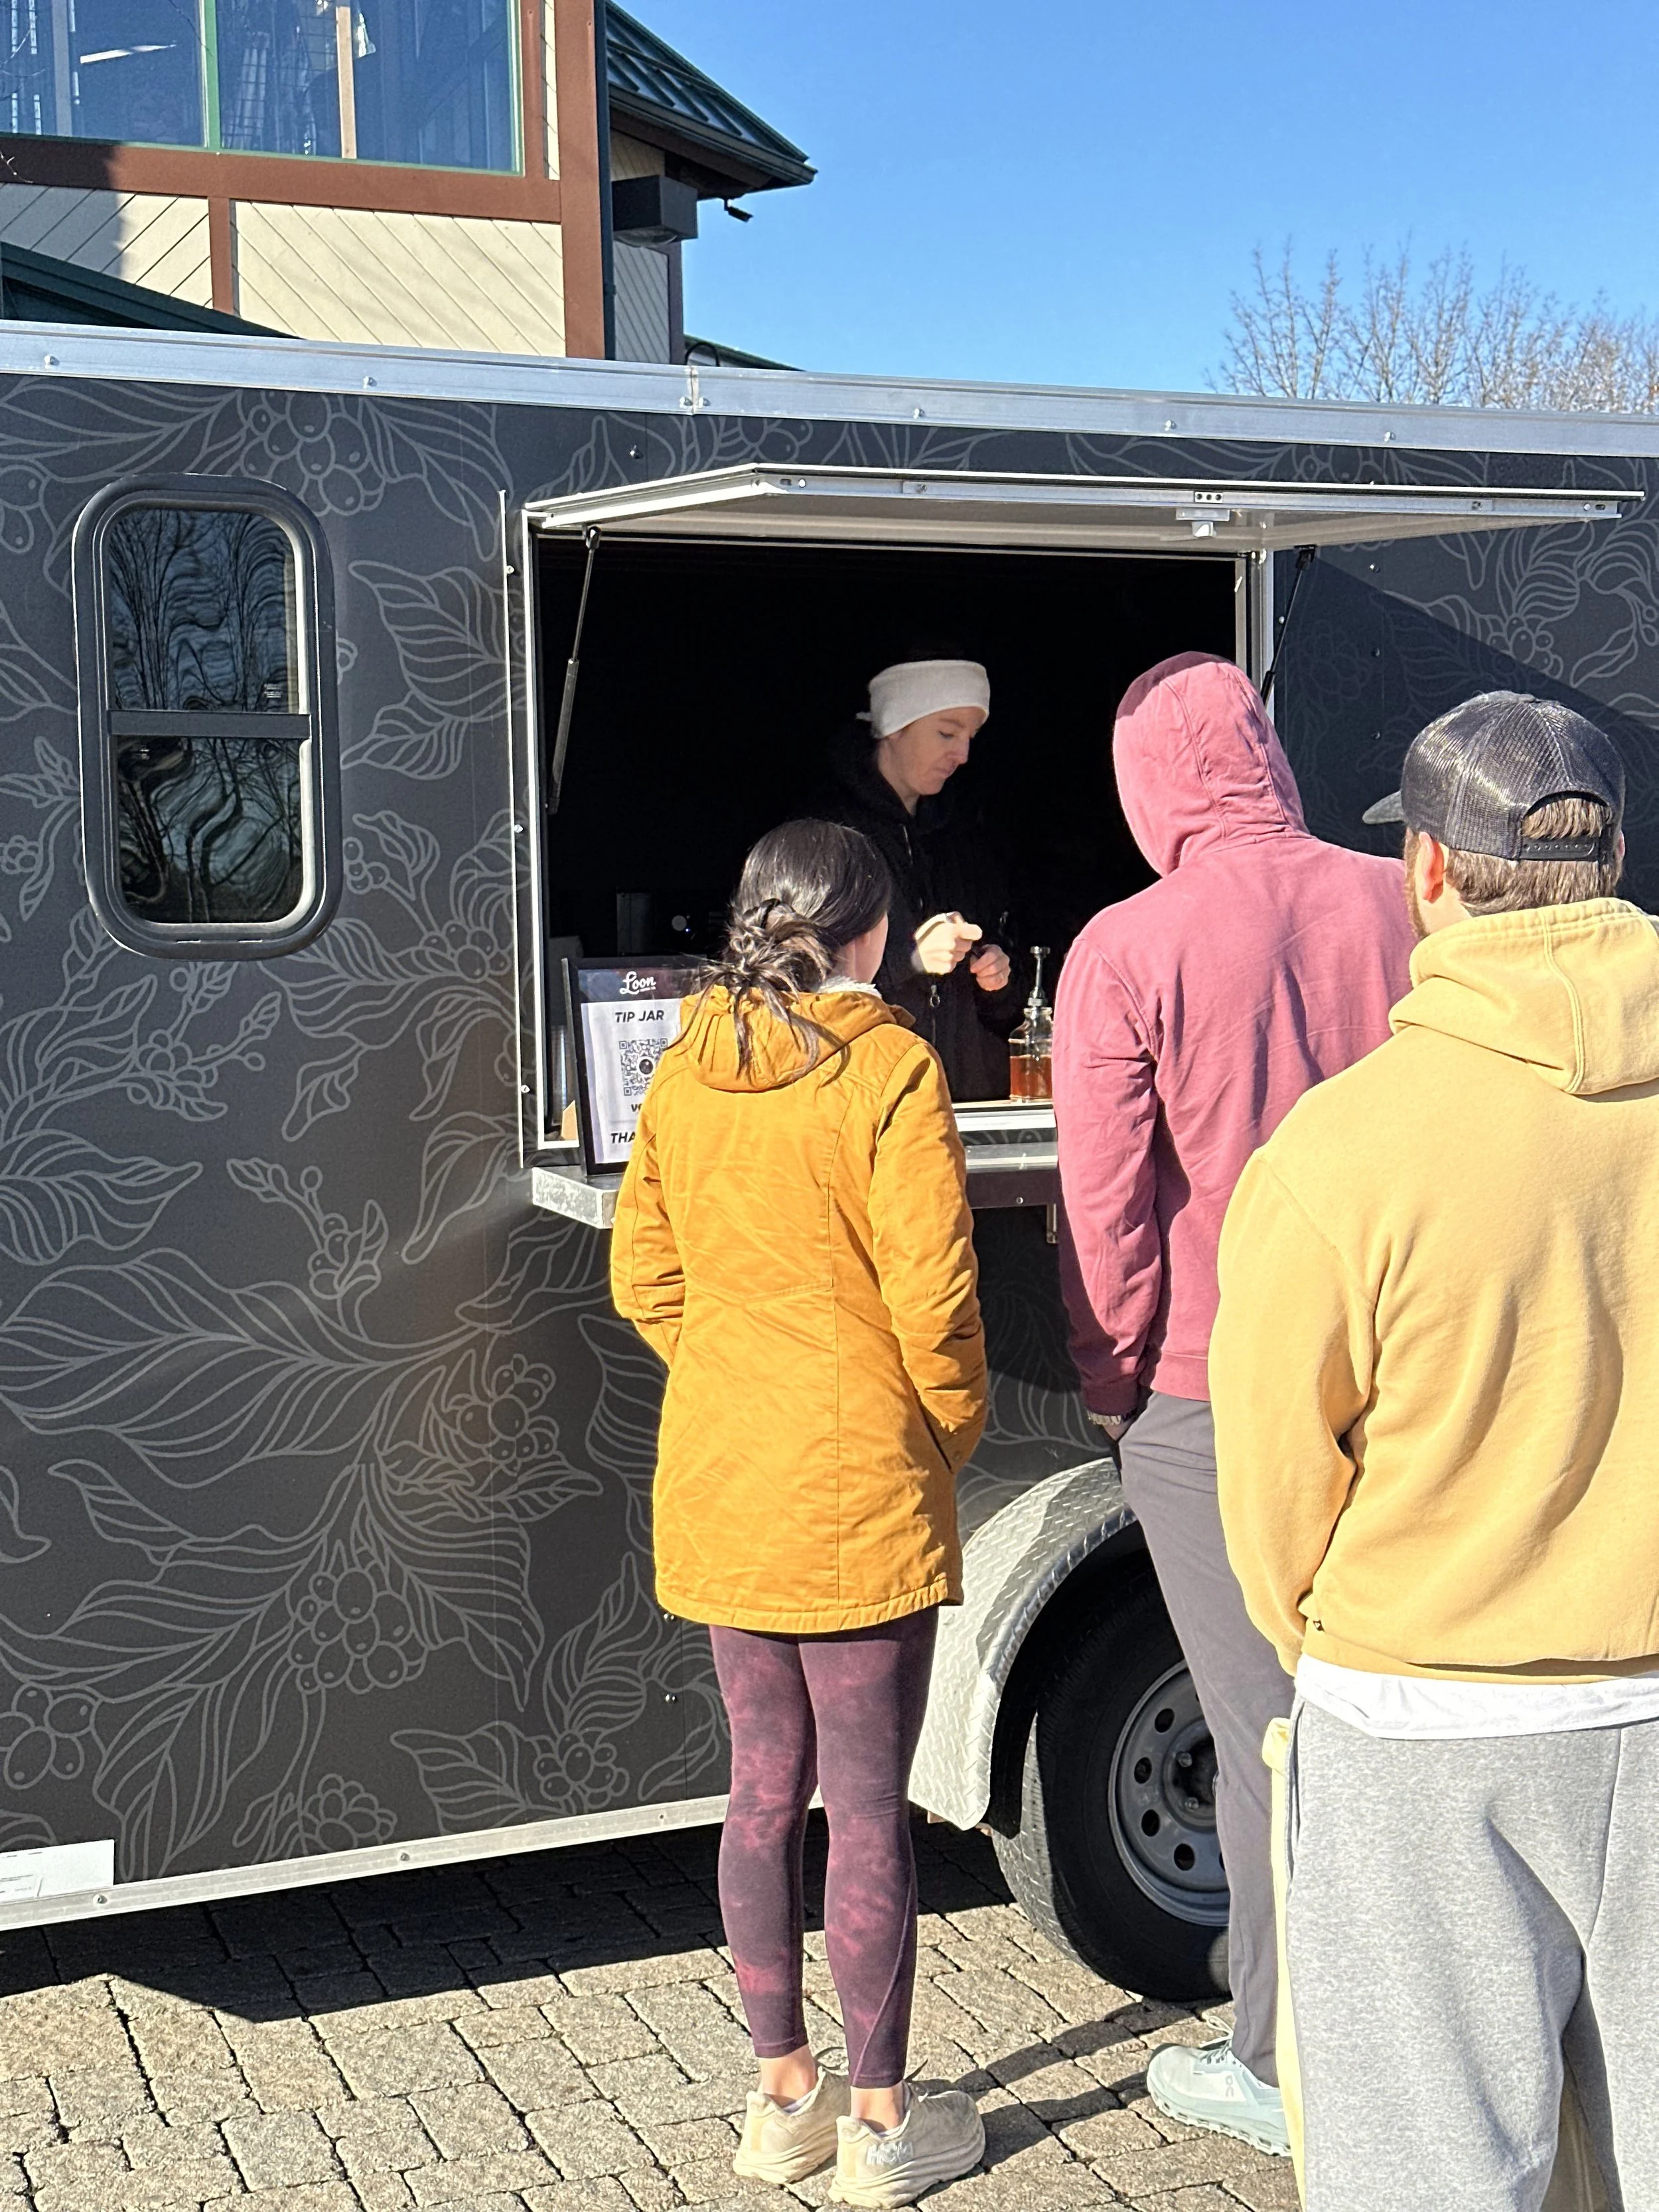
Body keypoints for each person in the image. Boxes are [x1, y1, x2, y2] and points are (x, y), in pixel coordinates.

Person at [1212, 693, 1659, 2212]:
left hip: (1421, 1721)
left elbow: (1272, 1504)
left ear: (1422, 872)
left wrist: (1345, 1649)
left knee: (1433, 2178)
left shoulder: (1344, 1151)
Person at [1051, 652, 1414, 2154]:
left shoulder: (1124, 947)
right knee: (1397, 1704)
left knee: (1262, 1727)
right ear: (1266, 753)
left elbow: (1107, 1209)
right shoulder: (1407, 902)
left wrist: (1110, 1374)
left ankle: (1283, 2067)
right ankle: (1425, 2021)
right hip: (1404, 1369)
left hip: (1215, 1388)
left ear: (1146, 790)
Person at [611, 817, 989, 2207]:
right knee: (870, 1807)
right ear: (870, 932)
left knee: (759, 1792)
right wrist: (932, 1435)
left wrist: (731, 1377)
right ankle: (884, 2125)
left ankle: (782, 2101)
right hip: (858, 1484)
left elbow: (643, 1274)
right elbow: (935, 1303)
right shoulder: (889, 1069)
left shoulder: (682, 1069)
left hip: (724, 1472)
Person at [814, 649, 1022, 1099]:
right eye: (947, 732)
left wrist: (997, 980)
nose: (963, 753)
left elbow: (1009, 1009)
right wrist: (909, 961)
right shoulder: (828, 835)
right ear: (894, 726)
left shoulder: (967, 836)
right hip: (867, 1107)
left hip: (966, 1108)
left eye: (972, 735)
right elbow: (802, 990)